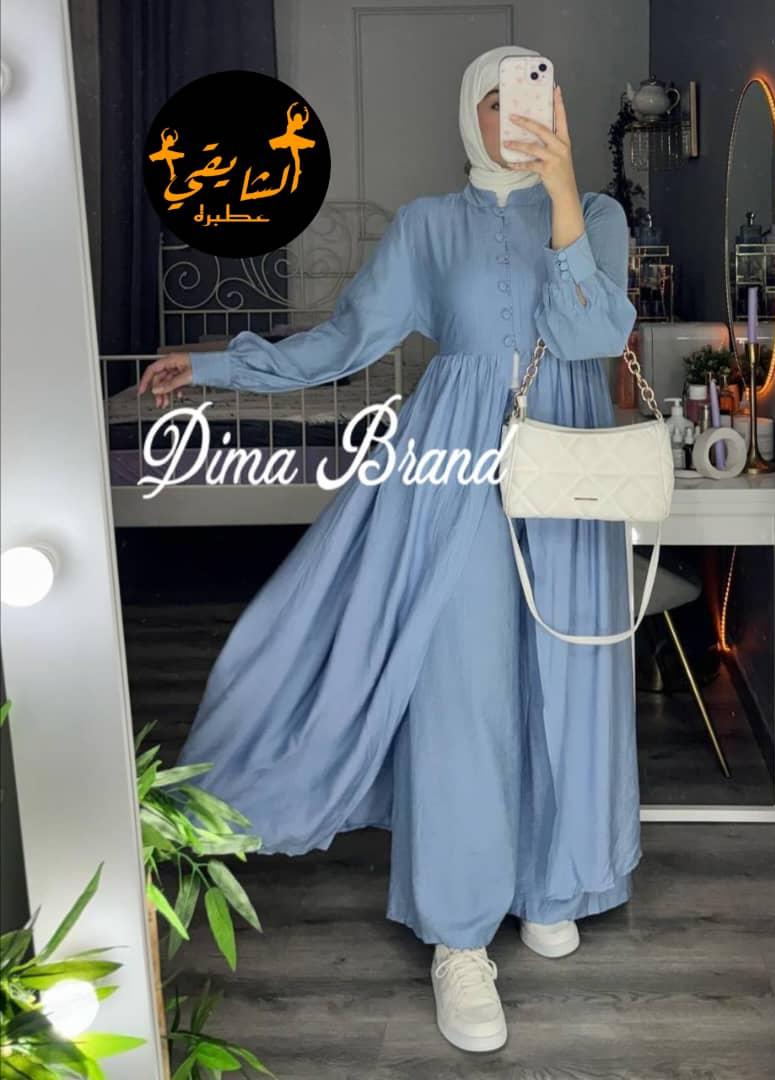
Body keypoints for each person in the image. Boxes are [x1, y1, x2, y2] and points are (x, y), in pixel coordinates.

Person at [138, 44, 641, 1054]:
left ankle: (554, 882)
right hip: (451, 473)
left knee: (569, 675)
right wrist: (215, 364)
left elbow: (595, 338)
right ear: (468, 114)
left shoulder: (596, 214)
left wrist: (561, 197)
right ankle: (460, 937)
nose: (515, 114)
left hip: (571, 471)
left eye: (533, 95)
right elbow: (343, 342)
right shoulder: (424, 226)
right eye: (494, 99)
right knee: (462, 689)